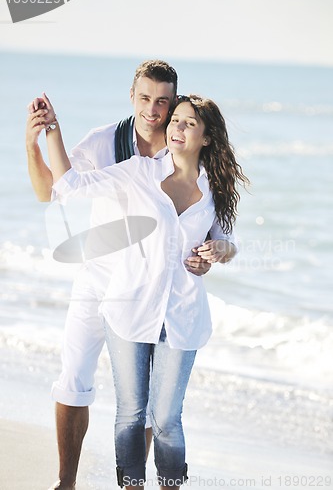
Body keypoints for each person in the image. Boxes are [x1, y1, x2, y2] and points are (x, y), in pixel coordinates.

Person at [26, 61, 238, 490]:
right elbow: (56, 188)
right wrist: (41, 136)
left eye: (165, 102)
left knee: (153, 409)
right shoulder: (113, 147)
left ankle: (137, 483)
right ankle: (67, 482)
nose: (155, 111)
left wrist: (211, 256)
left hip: (156, 292)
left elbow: (216, 235)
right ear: (132, 96)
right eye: (146, 98)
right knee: (78, 381)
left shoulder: (189, 162)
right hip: (101, 279)